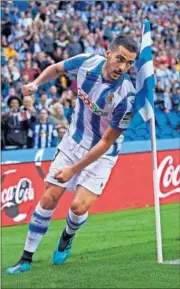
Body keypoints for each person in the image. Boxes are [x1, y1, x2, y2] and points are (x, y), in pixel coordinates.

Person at [6, 34, 138, 274]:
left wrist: (73, 170)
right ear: (108, 53)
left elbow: (107, 142)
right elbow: (56, 68)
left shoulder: (126, 97)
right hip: (73, 141)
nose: (123, 67)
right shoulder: (87, 62)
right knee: (49, 197)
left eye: (129, 63)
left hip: (103, 153)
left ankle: (67, 236)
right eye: (120, 59)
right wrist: (36, 84)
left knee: (78, 207)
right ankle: (25, 259)